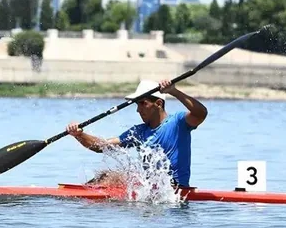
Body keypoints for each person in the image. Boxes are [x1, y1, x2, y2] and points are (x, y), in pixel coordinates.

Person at [65, 79, 208, 188]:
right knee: (105, 176)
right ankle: (82, 196)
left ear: (158, 103)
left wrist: (174, 91)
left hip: (174, 189)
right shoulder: (138, 132)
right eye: (137, 104)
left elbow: (201, 113)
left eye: (142, 103)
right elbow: (101, 146)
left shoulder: (178, 123)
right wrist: (79, 134)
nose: (138, 110)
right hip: (149, 191)